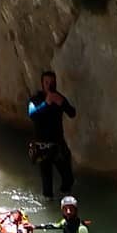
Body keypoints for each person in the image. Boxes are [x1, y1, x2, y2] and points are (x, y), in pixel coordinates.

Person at [27, 70, 75, 200]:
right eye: (47, 82)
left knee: (68, 178)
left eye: (52, 82)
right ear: (42, 84)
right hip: (42, 147)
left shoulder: (59, 97)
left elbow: (72, 113)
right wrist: (46, 103)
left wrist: (63, 104)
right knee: (47, 184)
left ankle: (66, 202)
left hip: (58, 145)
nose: (49, 85)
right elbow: (32, 115)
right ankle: (49, 204)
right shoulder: (35, 99)